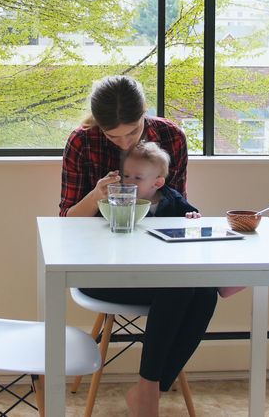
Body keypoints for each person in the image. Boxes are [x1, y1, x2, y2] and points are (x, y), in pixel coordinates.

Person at [59, 75, 217, 417]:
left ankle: (149, 390)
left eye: (132, 132)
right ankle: (149, 395)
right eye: (112, 136)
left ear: (144, 113)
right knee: (184, 287)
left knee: (203, 291)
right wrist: (95, 195)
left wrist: (188, 217)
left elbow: (174, 206)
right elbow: (65, 224)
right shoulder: (82, 142)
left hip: (157, 263)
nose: (123, 142)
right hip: (99, 268)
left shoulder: (170, 137)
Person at [121, 141, 200, 219]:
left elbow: (192, 214)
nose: (128, 182)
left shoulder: (172, 198)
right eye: (126, 176)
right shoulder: (120, 200)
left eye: (138, 178)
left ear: (157, 183)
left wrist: (192, 215)